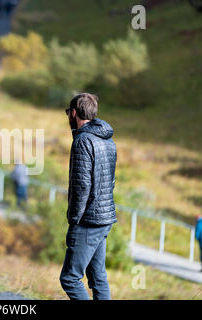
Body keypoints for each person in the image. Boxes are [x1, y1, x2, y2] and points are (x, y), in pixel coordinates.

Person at [59, 93, 117, 300]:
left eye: (68, 113)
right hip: (104, 219)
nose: (68, 117)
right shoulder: (108, 140)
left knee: (70, 278)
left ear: (74, 113)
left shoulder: (83, 141)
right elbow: (111, 181)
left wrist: (74, 219)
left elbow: (82, 186)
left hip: (88, 221)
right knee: (97, 276)